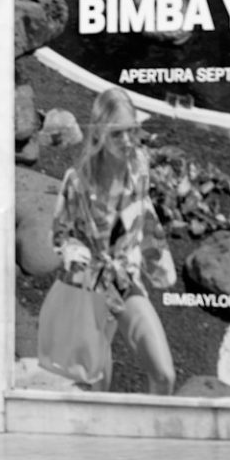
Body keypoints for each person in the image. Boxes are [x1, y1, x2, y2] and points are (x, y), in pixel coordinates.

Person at [51, 87, 177, 394]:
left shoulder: (139, 168)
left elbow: (144, 212)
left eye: (132, 131)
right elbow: (61, 235)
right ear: (100, 134)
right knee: (98, 387)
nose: (127, 141)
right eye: (117, 133)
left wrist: (157, 259)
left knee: (164, 375)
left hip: (125, 279)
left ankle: (154, 438)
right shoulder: (77, 181)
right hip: (89, 286)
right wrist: (78, 257)